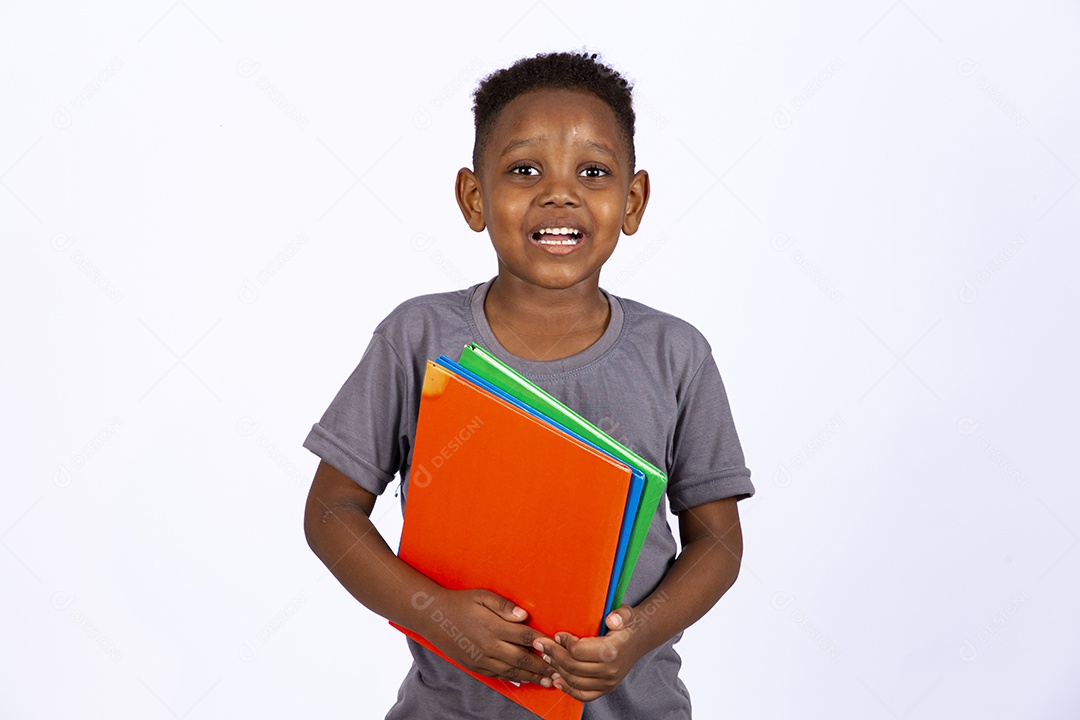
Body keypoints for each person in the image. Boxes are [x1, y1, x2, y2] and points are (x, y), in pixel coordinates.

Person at [302, 50, 755, 719]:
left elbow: (717, 541)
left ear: (632, 202)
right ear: (474, 197)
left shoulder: (675, 354)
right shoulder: (416, 338)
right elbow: (331, 513)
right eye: (523, 169)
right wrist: (434, 613)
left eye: (593, 172)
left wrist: (637, 638)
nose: (559, 192)